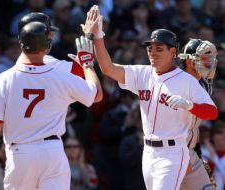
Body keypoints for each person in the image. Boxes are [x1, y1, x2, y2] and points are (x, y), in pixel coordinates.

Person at [82, 5, 218, 190]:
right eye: (150, 48)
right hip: (148, 151)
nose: (152, 52)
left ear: (173, 52)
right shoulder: (142, 73)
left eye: (159, 48)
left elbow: (212, 112)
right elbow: (108, 69)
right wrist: (98, 38)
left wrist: (189, 104)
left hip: (173, 152)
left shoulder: (186, 81)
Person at [0, 21, 103, 190]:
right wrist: (87, 64)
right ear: (47, 45)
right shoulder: (60, 75)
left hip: (20, 153)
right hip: (52, 151)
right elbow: (97, 95)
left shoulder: (4, 79)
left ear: (21, 44)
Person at [177, 39, 218, 189]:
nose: (208, 62)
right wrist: (182, 154)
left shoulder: (203, 83)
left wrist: (197, 152)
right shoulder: (176, 83)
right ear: (189, 61)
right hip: (173, 152)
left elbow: (194, 125)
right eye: (203, 58)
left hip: (190, 150)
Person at [16, 12, 84, 78]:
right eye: (46, 32)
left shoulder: (22, 59)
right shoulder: (45, 61)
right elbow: (81, 70)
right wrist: (90, 37)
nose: (52, 34)